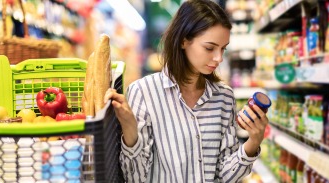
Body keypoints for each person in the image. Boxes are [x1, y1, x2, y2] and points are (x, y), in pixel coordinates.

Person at [104, 0, 269, 182]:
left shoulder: (224, 96)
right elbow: (135, 178)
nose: (219, 58)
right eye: (209, 48)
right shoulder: (143, 92)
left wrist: (253, 142)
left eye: (223, 49)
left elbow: (225, 176)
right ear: (183, 40)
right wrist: (130, 130)